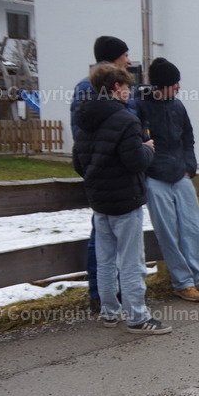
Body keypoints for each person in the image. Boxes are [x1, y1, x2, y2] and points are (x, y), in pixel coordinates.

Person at [73, 63, 171, 334]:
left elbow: (78, 163)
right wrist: (147, 149)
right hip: (126, 199)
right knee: (131, 261)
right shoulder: (126, 120)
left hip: (99, 201)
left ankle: (109, 311)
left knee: (105, 260)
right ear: (116, 87)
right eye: (127, 86)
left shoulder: (84, 119)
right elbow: (135, 161)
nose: (129, 91)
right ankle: (138, 317)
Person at [136, 58, 199, 303]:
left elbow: (188, 138)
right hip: (155, 179)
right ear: (161, 85)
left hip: (180, 175)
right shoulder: (140, 106)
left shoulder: (177, 106)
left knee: (194, 227)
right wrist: (149, 168)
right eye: (174, 83)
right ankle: (183, 283)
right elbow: (138, 141)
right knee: (168, 232)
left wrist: (189, 167)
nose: (178, 86)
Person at [71, 35, 133, 314]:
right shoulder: (89, 88)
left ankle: (110, 297)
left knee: (109, 240)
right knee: (105, 241)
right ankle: (102, 296)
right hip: (109, 176)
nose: (128, 60)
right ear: (113, 57)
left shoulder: (103, 87)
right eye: (125, 55)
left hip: (111, 174)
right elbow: (84, 134)